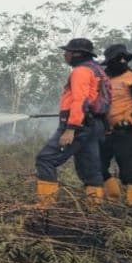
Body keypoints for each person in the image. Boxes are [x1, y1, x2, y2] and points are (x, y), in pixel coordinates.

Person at [35, 38, 108, 208]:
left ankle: (45, 207)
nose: (65, 55)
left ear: (77, 54)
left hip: (79, 124)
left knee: (45, 159)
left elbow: (80, 101)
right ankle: (94, 211)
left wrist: (71, 128)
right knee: (90, 169)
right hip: (93, 124)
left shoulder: (81, 71)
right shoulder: (98, 70)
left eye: (67, 52)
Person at [100, 43, 132, 206]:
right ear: (110, 61)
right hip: (106, 131)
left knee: (130, 170)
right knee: (97, 164)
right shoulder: (102, 79)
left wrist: (128, 120)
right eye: (118, 59)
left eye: (124, 58)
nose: (122, 61)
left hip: (128, 132)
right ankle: (113, 197)